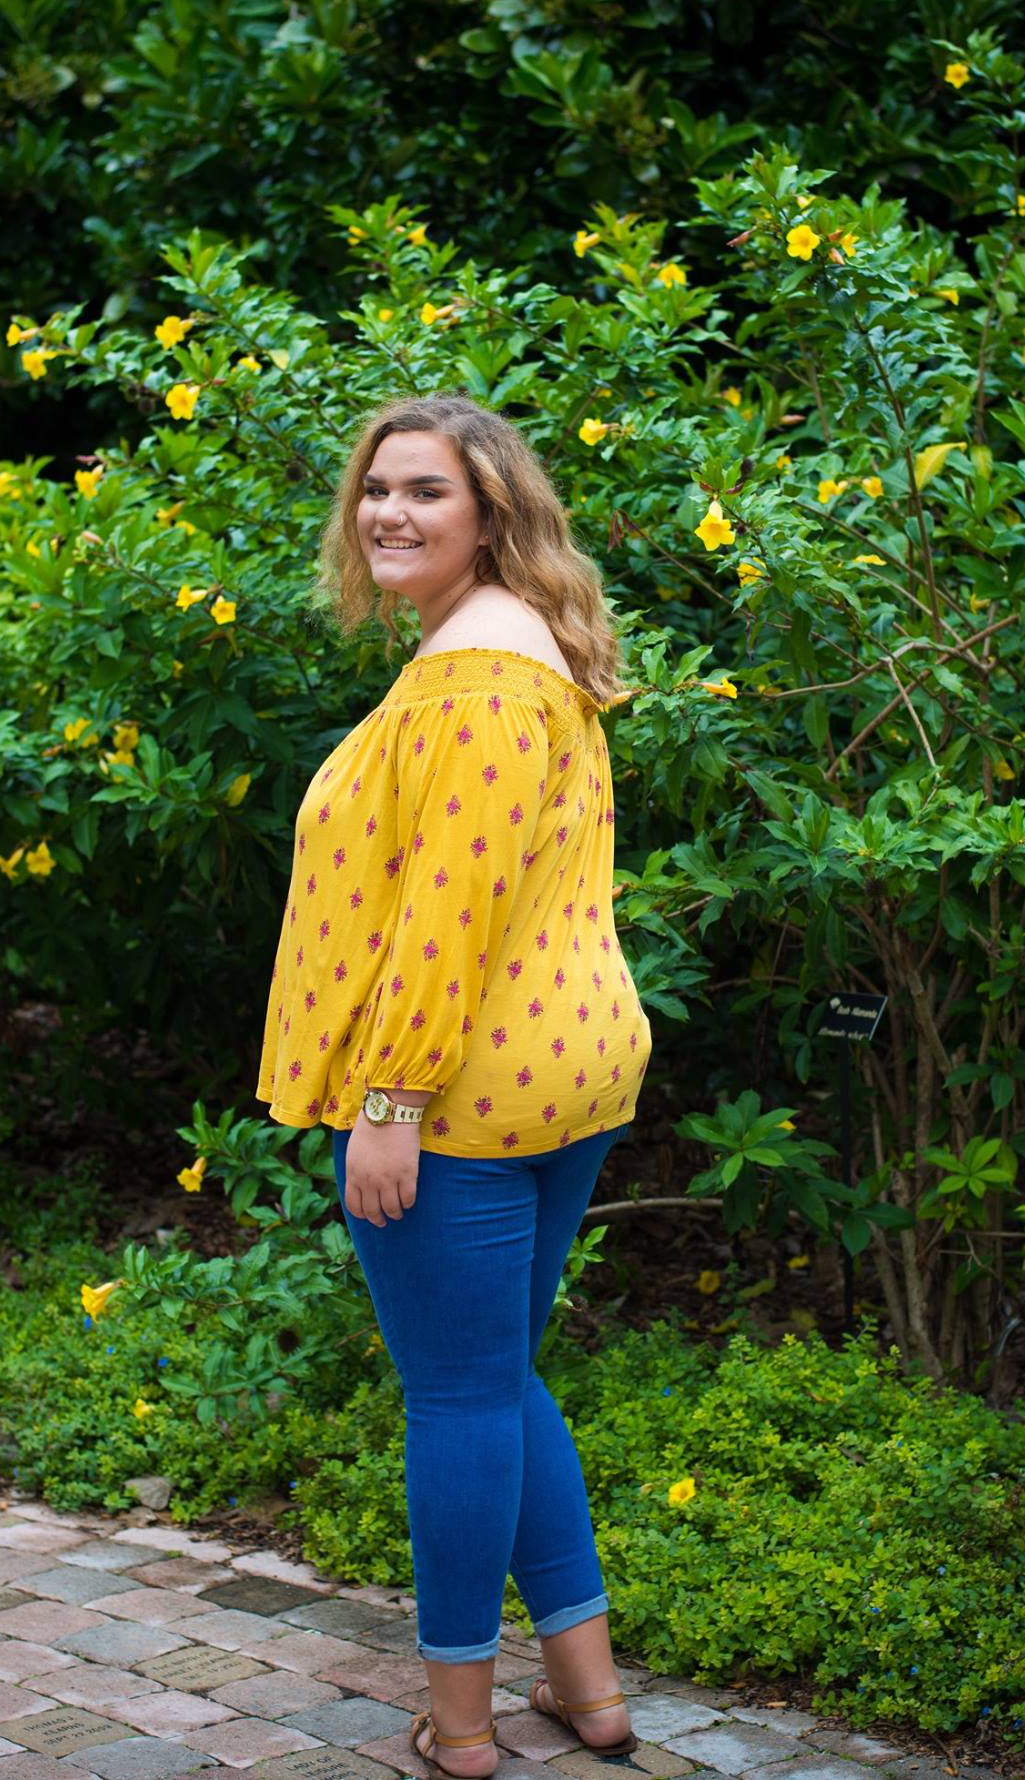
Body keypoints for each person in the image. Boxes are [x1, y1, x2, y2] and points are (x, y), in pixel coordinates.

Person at [256, 394, 654, 1777]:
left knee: (460, 1399)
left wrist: (392, 1101)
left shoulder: (480, 675)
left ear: (490, 512)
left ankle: (464, 1726)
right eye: (374, 489)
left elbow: (450, 910)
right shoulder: (510, 651)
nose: (387, 514)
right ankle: (588, 1695)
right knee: (499, 1377)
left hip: (470, 1095)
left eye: (423, 491)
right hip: (562, 1073)